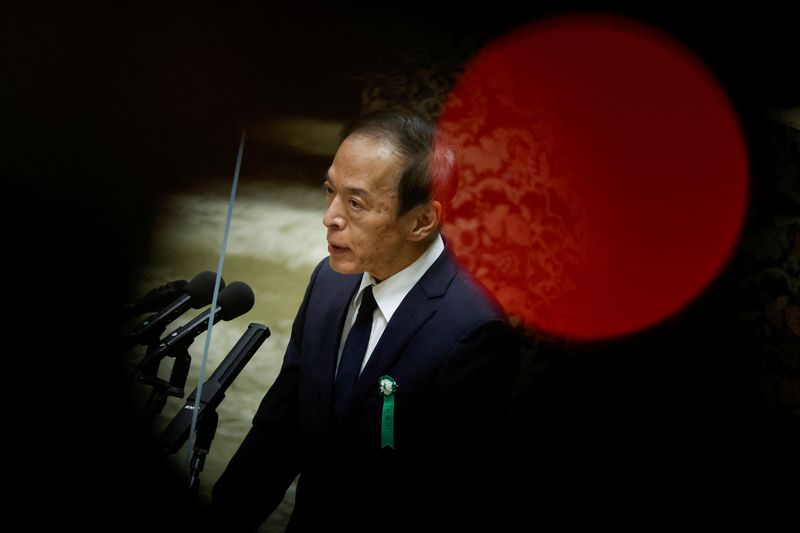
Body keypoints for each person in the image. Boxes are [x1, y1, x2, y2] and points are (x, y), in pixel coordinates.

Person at [198, 110, 520, 532]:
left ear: (422, 220)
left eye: (356, 202)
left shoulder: (474, 334)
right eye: (329, 191)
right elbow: (282, 426)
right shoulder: (329, 281)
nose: (329, 216)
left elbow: (447, 500)